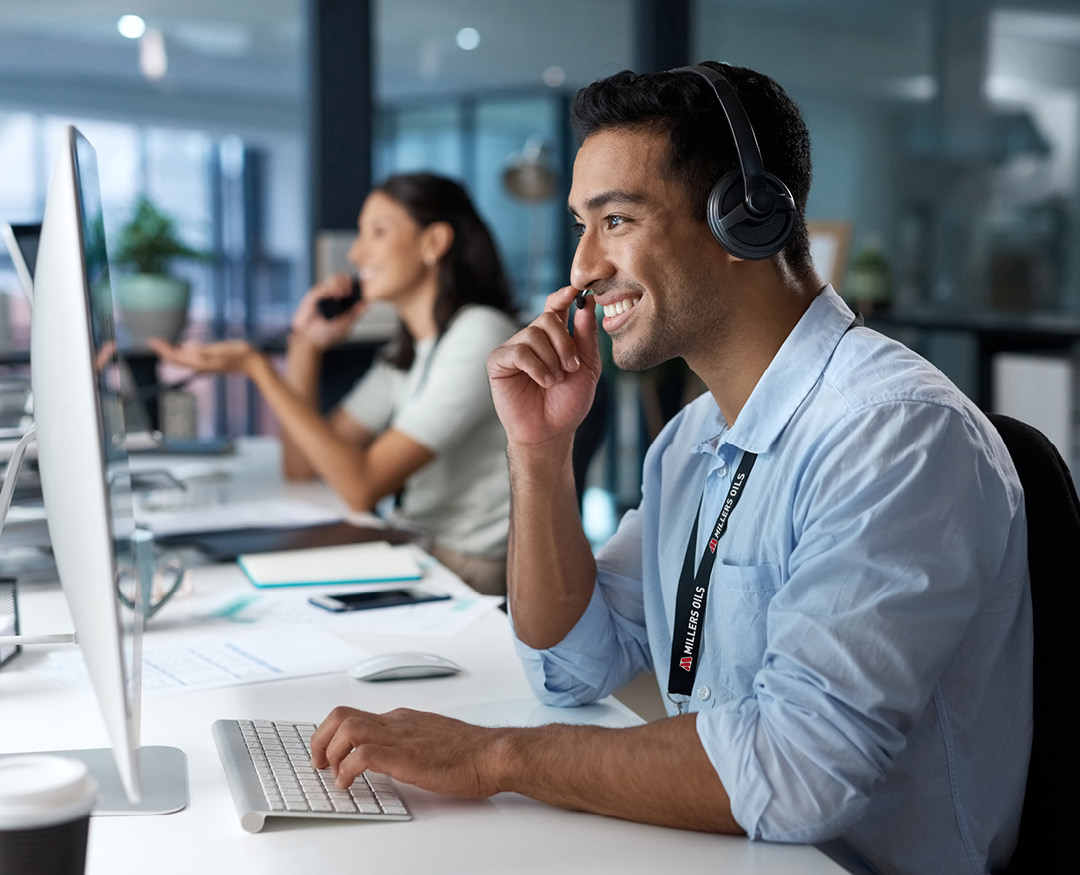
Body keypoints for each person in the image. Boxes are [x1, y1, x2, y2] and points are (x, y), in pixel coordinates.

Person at [308, 63, 1032, 874]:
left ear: (743, 221)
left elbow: (796, 772)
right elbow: (572, 664)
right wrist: (540, 452)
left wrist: (494, 758)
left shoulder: (893, 435)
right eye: (582, 224)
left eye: (616, 219)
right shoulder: (693, 439)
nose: (581, 266)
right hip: (721, 846)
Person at [149, 173, 518, 594]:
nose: (358, 253)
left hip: (465, 567)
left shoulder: (480, 336)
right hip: (418, 548)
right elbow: (303, 466)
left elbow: (360, 486)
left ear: (433, 242)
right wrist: (305, 346)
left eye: (377, 232)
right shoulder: (413, 347)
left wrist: (259, 367)